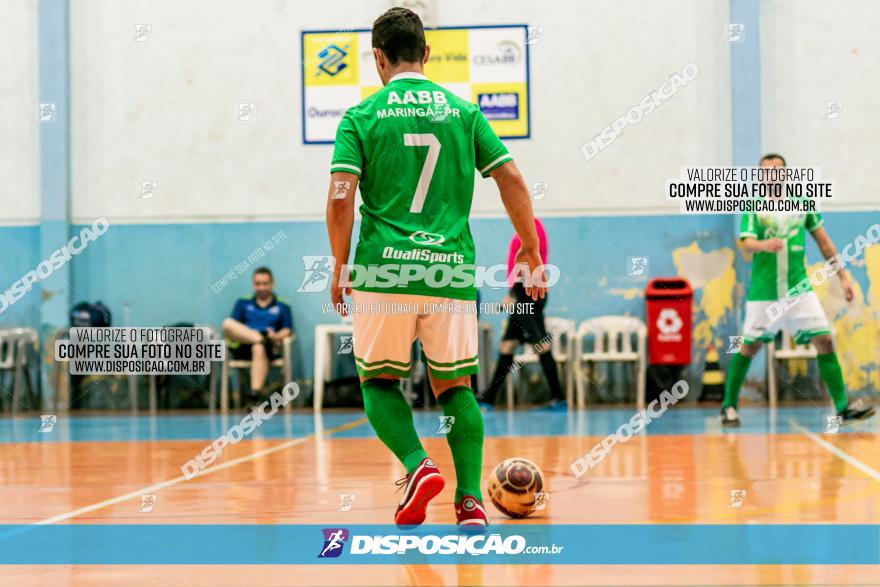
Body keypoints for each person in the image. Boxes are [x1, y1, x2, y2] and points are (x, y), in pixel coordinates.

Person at [325, 7, 546, 529]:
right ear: (426, 53)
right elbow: (510, 177)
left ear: (378, 58)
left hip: (383, 271)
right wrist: (531, 251)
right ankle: (469, 501)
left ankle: (417, 464)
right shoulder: (464, 113)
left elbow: (340, 197)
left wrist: (338, 263)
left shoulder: (361, 116)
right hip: (448, 271)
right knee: (456, 388)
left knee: (378, 384)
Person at [721, 153, 875, 427]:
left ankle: (842, 408)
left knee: (825, 340)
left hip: (798, 291)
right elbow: (745, 242)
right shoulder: (753, 206)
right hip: (764, 294)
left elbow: (825, 244)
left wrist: (843, 276)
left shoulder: (802, 203)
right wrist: (763, 245)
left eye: (777, 170)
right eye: (765, 171)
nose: (771, 174)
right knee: (748, 347)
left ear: (785, 174)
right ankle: (729, 406)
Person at [479, 217, 566, 411]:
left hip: (527, 293)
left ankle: (559, 397)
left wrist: (515, 295)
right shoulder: (523, 228)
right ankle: (489, 398)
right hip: (521, 293)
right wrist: (512, 293)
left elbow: (527, 261)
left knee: (540, 345)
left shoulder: (532, 227)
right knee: (508, 345)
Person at [222, 267, 293, 406]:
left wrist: (275, 336)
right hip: (243, 345)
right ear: (253, 284)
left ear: (272, 284)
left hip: (268, 347)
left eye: (265, 283)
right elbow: (232, 328)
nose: (261, 287)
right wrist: (257, 337)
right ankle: (260, 338)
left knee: (259, 348)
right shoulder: (243, 302)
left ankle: (253, 397)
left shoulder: (282, 305)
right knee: (227, 323)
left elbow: (287, 330)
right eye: (258, 284)